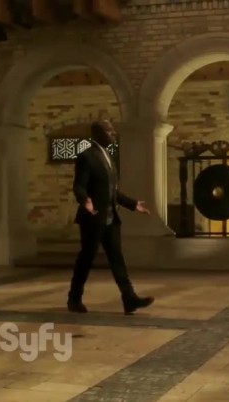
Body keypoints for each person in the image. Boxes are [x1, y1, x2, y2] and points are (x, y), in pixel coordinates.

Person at [68, 119, 155, 315]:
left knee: (117, 259)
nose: (114, 134)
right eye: (109, 131)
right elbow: (79, 186)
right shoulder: (86, 157)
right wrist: (85, 200)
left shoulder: (108, 156)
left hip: (111, 218)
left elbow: (111, 191)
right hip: (93, 218)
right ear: (98, 134)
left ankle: (129, 298)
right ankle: (74, 298)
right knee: (86, 259)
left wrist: (133, 204)